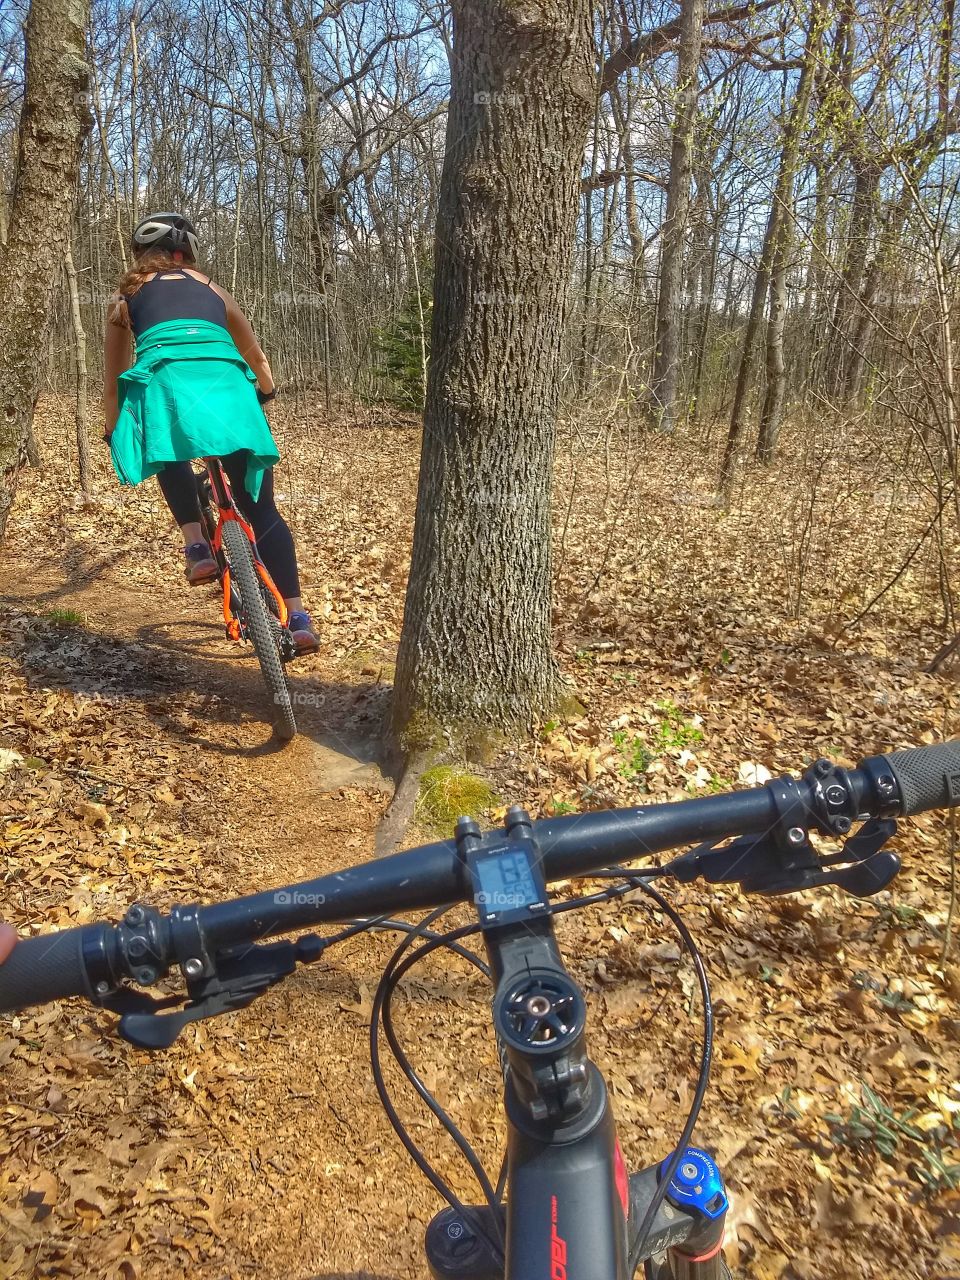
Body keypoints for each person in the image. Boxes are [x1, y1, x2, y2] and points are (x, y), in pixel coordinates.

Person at [103, 212, 318, 654]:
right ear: (186, 254)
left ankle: (197, 545)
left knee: (168, 448)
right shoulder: (214, 289)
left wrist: (112, 429)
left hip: (168, 385)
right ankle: (298, 618)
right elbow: (255, 356)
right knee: (264, 511)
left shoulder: (125, 299)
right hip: (229, 390)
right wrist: (266, 391)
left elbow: (114, 381)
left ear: (141, 256)